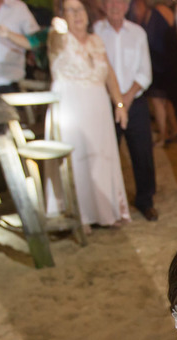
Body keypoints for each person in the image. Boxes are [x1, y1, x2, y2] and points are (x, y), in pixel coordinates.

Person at [48, 0, 131, 228]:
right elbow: (54, 46)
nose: (76, 14)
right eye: (70, 10)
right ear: (62, 15)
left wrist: (120, 104)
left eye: (80, 9)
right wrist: (57, 29)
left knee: (101, 158)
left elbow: (109, 75)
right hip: (70, 108)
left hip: (99, 107)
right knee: (77, 161)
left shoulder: (96, 41)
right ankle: (79, 216)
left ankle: (106, 213)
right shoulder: (58, 38)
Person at [95, 0, 159, 220]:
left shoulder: (137, 33)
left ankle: (145, 200)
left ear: (126, 5)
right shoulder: (96, 32)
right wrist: (115, 100)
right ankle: (107, 204)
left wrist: (127, 97)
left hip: (135, 103)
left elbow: (145, 72)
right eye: (109, 1)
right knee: (105, 154)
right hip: (105, 104)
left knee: (142, 153)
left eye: (119, 1)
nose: (114, 5)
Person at [127, 0, 177, 145]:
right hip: (161, 64)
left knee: (158, 101)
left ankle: (163, 136)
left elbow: (168, 38)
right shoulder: (146, 18)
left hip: (161, 64)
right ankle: (174, 130)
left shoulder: (159, 13)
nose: (136, 9)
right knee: (164, 101)